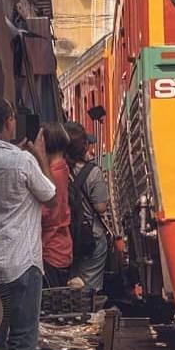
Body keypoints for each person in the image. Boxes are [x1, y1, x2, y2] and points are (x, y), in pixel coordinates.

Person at [0, 93, 56, 350]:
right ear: (9, 122)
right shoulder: (22, 160)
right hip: (22, 263)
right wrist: (40, 155)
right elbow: (51, 197)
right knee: (22, 340)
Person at [66, 121, 112, 294]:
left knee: (70, 284)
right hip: (90, 236)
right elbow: (100, 207)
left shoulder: (60, 170)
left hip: (67, 235)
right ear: (83, 147)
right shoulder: (93, 172)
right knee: (89, 289)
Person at [39, 122, 73, 287]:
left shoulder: (53, 173)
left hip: (50, 247)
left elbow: (47, 213)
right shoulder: (63, 168)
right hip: (61, 245)